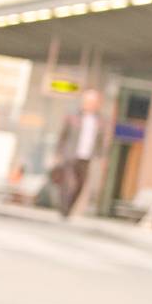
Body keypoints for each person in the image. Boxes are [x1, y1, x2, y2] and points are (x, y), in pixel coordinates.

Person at [48, 90, 103, 219]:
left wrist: (100, 155)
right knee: (70, 183)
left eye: (94, 102)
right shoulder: (73, 116)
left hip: (86, 157)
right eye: (89, 101)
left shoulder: (99, 120)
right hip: (70, 155)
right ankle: (64, 208)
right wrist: (58, 153)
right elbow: (63, 135)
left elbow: (101, 141)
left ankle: (68, 208)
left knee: (80, 185)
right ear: (84, 102)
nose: (91, 104)